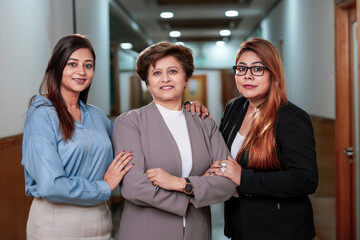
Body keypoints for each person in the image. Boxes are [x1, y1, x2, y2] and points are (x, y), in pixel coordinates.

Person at [187, 38, 318, 239]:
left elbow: (305, 180)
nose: (247, 76)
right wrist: (194, 113)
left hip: (280, 230)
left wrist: (242, 177)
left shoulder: (292, 117)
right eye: (241, 68)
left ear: (272, 73)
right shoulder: (234, 107)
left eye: (257, 69)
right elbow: (220, 155)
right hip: (240, 225)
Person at [112, 41, 236, 240]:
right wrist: (192, 196)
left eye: (173, 71)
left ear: (186, 79)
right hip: (147, 232)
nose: (165, 79)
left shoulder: (204, 123)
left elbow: (228, 182)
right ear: (147, 83)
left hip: (198, 232)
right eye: (156, 73)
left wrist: (181, 184)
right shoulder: (129, 123)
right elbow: (134, 186)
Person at [21, 34, 133, 240]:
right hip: (55, 223)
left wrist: (183, 110)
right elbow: (50, 184)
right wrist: (104, 186)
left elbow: (134, 143)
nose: (81, 71)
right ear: (57, 67)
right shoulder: (42, 114)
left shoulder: (97, 116)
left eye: (88, 65)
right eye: (72, 64)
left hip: (100, 221)